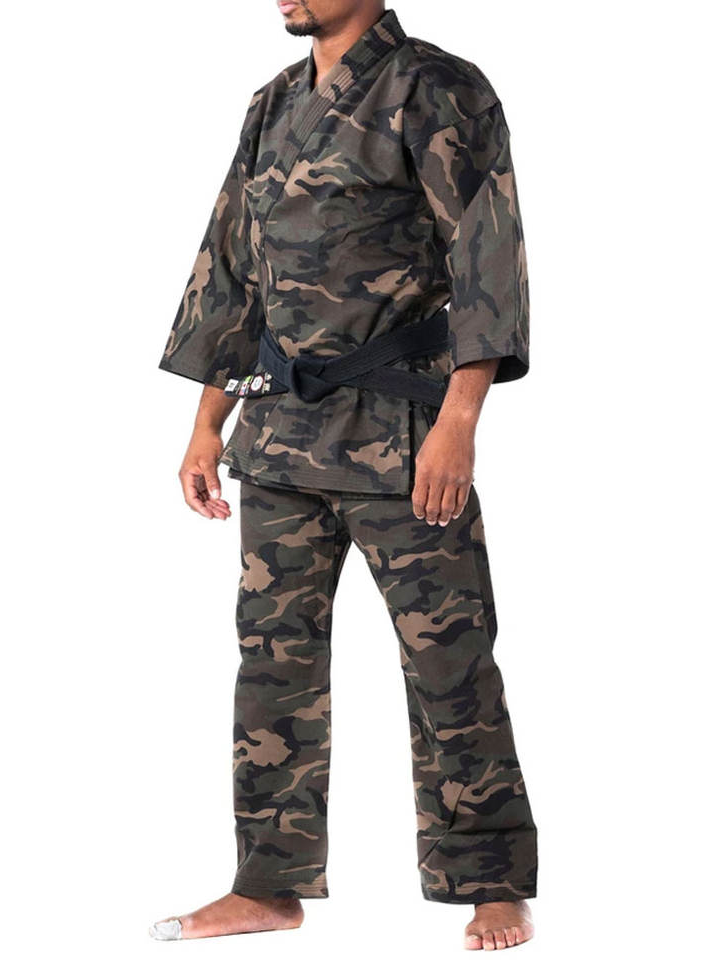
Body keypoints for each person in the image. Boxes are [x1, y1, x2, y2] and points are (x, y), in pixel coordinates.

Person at [150, 1, 537, 950]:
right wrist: (206, 423)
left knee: (449, 664)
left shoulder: (438, 88)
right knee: (272, 666)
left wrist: (459, 423)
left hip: (400, 434)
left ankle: (491, 882)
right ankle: (269, 884)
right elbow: (231, 267)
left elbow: (487, 258)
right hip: (280, 437)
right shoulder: (273, 103)